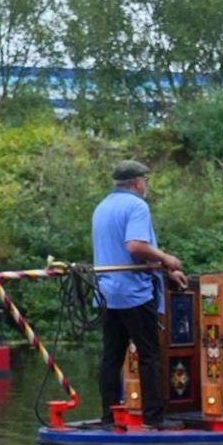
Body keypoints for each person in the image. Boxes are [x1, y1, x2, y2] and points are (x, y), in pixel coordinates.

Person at [89, 160, 184, 429]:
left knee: (111, 356)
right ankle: (154, 418)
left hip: (107, 291)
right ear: (137, 182)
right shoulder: (137, 206)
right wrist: (168, 258)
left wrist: (166, 272)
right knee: (149, 354)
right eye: (145, 181)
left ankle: (109, 417)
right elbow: (135, 246)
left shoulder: (102, 207)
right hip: (134, 293)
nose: (146, 186)